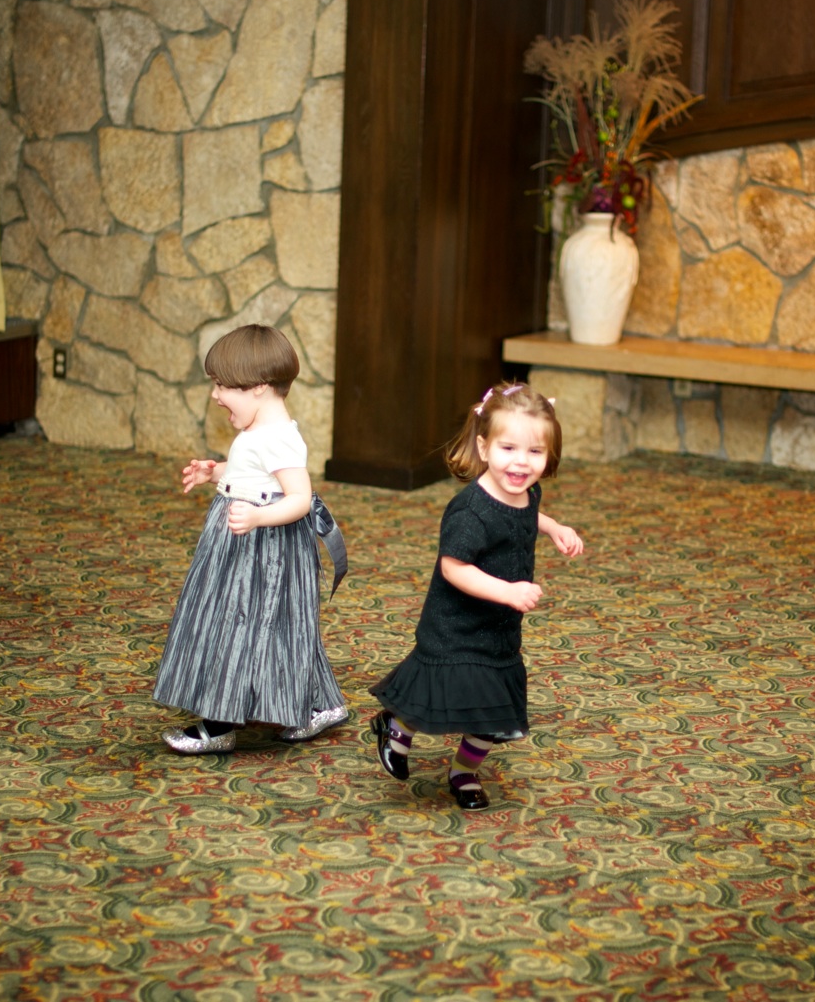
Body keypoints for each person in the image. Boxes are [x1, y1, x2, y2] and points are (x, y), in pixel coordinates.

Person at [369, 382, 584, 810]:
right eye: (508, 448)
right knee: (436, 691)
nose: (521, 463)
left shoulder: (527, 490)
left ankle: (463, 772)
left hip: (499, 628)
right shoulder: (470, 511)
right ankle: (397, 725)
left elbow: (526, 513)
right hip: (457, 623)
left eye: (535, 452)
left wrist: (555, 527)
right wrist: (508, 590)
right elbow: (454, 567)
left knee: (493, 710)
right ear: (484, 448)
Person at [154, 324, 348, 754]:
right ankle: (317, 705)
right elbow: (251, 472)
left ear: (258, 387)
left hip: (266, 551)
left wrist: (259, 517)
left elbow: (299, 498)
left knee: (240, 622)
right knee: (273, 625)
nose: (215, 395)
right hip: (240, 544)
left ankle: (219, 724)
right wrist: (216, 472)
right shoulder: (260, 432)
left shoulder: (281, 439)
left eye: (224, 386)